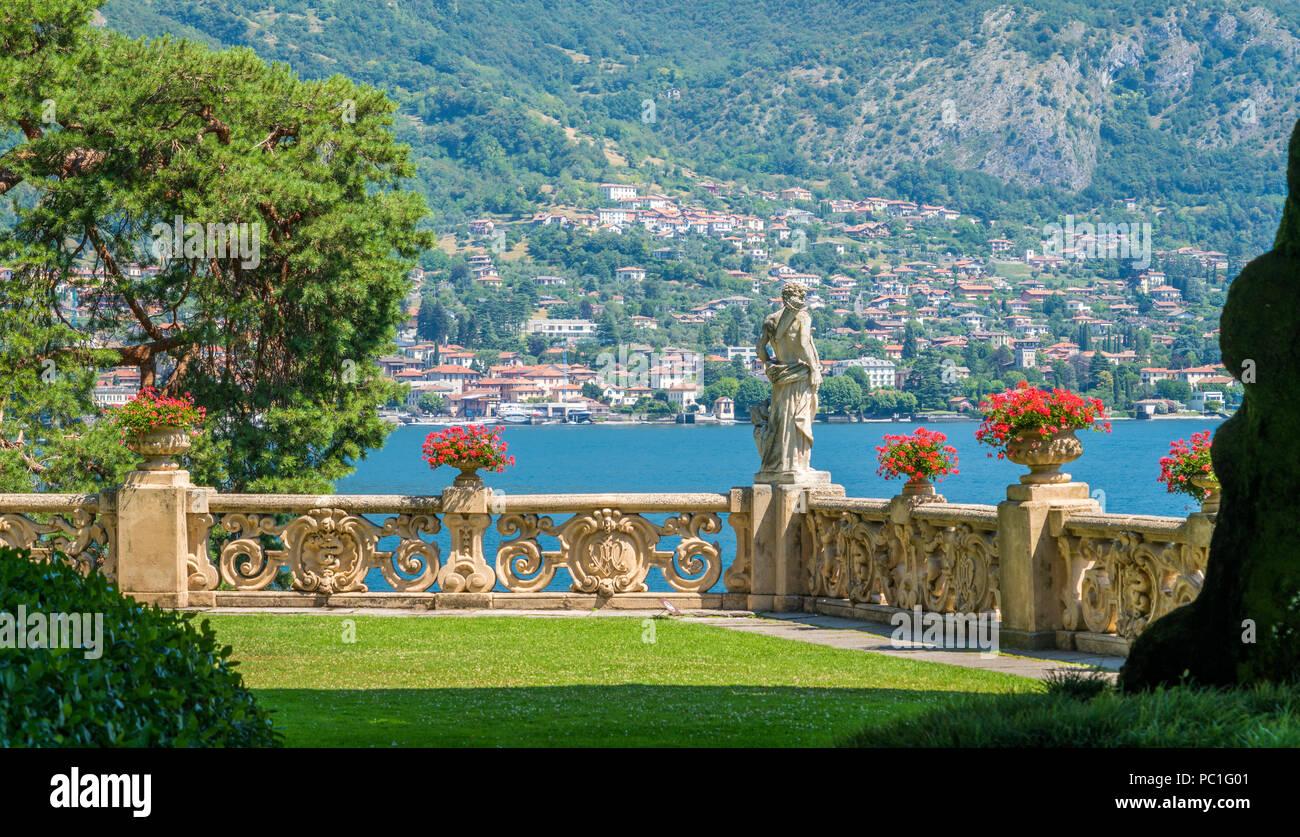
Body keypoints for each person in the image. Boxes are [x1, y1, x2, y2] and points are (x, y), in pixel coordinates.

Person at [752, 282, 821, 476]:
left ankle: (779, 463)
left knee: (780, 418)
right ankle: (797, 464)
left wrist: (770, 362)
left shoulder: (770, 320)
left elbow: (759, 348)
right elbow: (804, 343)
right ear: (798, 296)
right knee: (798, 417)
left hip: (780, 376)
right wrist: (814, 369)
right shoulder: (802, 317)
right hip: (799, 375)